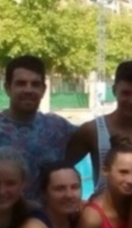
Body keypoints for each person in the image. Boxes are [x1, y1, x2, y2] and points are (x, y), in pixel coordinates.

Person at [66, 60, 132, 188]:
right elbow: (62, 167)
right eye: (126, 93)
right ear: (114, 90)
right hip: (104, 201)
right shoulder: (93, 130)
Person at [0, 56, 76, 199]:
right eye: (21, 83)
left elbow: (91, 135)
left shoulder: (57, 127)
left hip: (46, 212)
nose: (28, 90)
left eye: (35, 84)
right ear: (7, 88)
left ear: (43, 89)